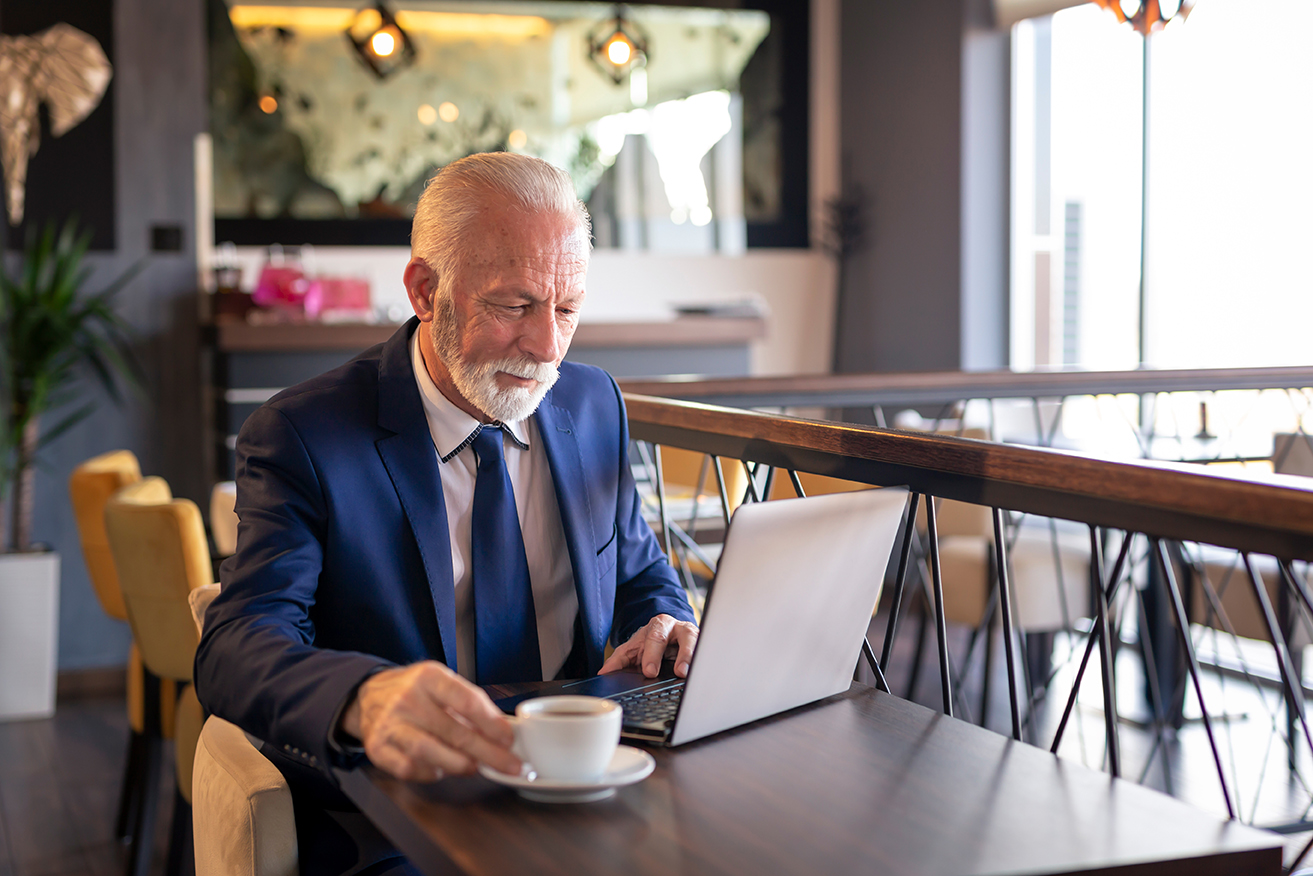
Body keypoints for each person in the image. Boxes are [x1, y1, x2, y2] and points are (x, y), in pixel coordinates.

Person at [195, 152, 699, 875]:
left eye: (566, 309)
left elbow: (637, 565)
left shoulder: (593, 404)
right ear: (426, 290)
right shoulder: (304, 433)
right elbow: (236, 645)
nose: (546, 348)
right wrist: (361, 699)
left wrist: (663, 617)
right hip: (406, 821)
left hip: (594, 783)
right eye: (513, 305)